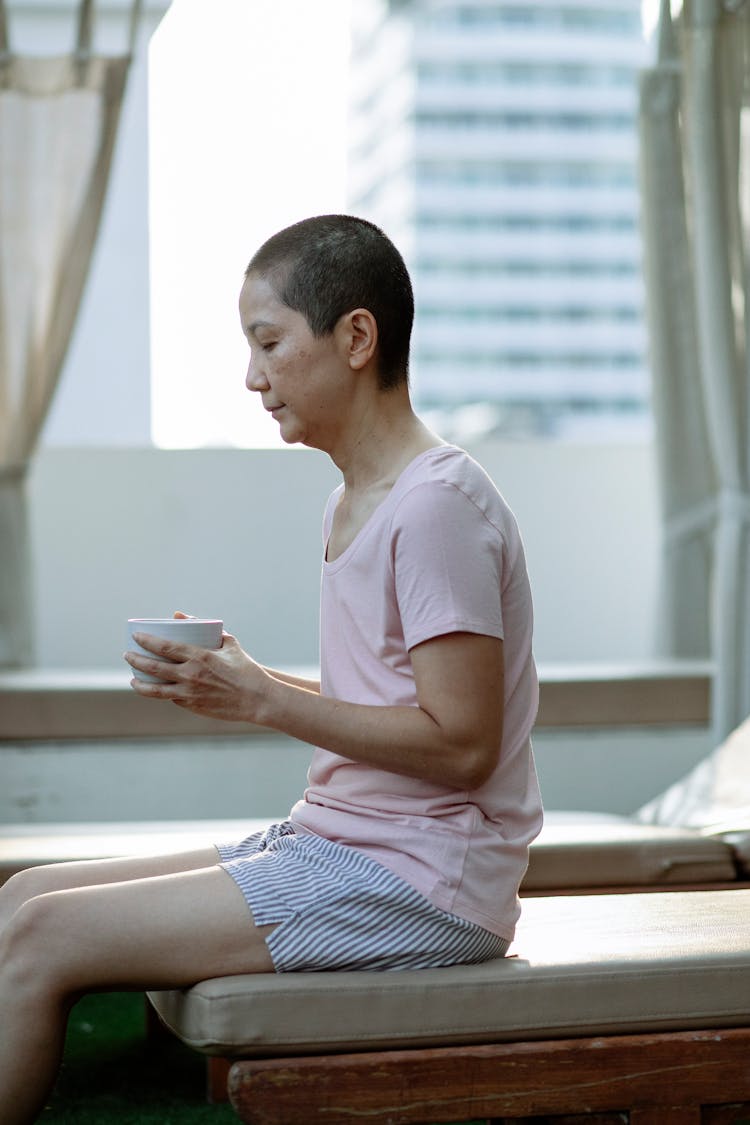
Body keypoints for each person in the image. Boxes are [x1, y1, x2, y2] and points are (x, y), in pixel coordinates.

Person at [0, 214, 543, 1124]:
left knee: (44, 935)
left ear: (356, 337)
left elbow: (463, 747)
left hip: (423, 877)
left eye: (269, 342)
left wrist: (261, 702)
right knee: (24, 892)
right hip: (345, 841)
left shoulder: (440, 505)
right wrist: (246, 677)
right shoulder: (354, 499)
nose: (253, 377)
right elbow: (397, 710)